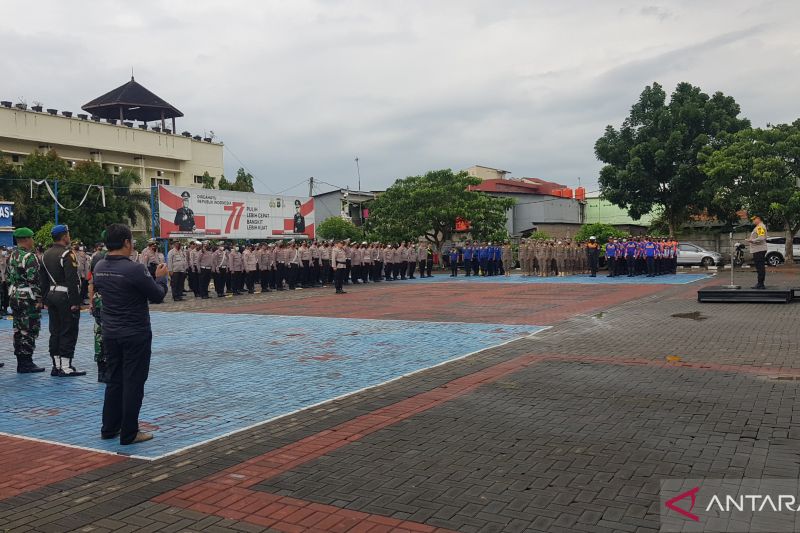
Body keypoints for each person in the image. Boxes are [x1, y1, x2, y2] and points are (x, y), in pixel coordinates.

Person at [94, 223, 168, 445]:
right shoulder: (134, 268)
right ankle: (129, 432)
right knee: (134, 382)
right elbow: (156, 295)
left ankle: (109, 428)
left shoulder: (99, 266)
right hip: (135, 333)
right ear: (127, 242)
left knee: (114, 380)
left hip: (110, 332)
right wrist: (161, 278)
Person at [41, 224, 86, 377]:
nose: (69, 236)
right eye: (68, 234)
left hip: (51, 295)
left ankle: (56, 365)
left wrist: (44, 299)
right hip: (65, 296)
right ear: (64, 236)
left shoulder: (46, 254)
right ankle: (66, 367)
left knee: (55, 330)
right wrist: (75, 302)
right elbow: (72, 280)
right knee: (68, 330)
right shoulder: (67, 254)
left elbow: (43, 280)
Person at [8, 227, 46, 373]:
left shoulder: (12, 255)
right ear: (27, 239)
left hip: (15, 295)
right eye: (32, 238)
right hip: (27, 298)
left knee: (18, 328)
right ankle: (26, 362)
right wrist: (38, 299)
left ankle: (21, 361)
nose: (33, 241)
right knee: (29, 329)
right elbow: (35, 280)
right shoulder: (29, 257)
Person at [88, 234, 109, 382]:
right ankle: (107, 370)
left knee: (99, 333)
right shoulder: (114, 257)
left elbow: (91, 283)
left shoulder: (95, 258)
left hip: (97, 298)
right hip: (110, 300)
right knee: (109, 334)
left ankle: (101, 371)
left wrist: (91, 302)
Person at [747, 215, 768, 289]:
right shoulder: (759, 226)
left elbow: (761, 238)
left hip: (759, 249)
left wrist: (751, 240)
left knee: (760, 267)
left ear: (758, 219)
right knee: (759, 267)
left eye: (754, 219)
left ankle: (760, 284)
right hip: (758, 249)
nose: (753, 221)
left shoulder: (760, 226)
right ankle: (760, 283)